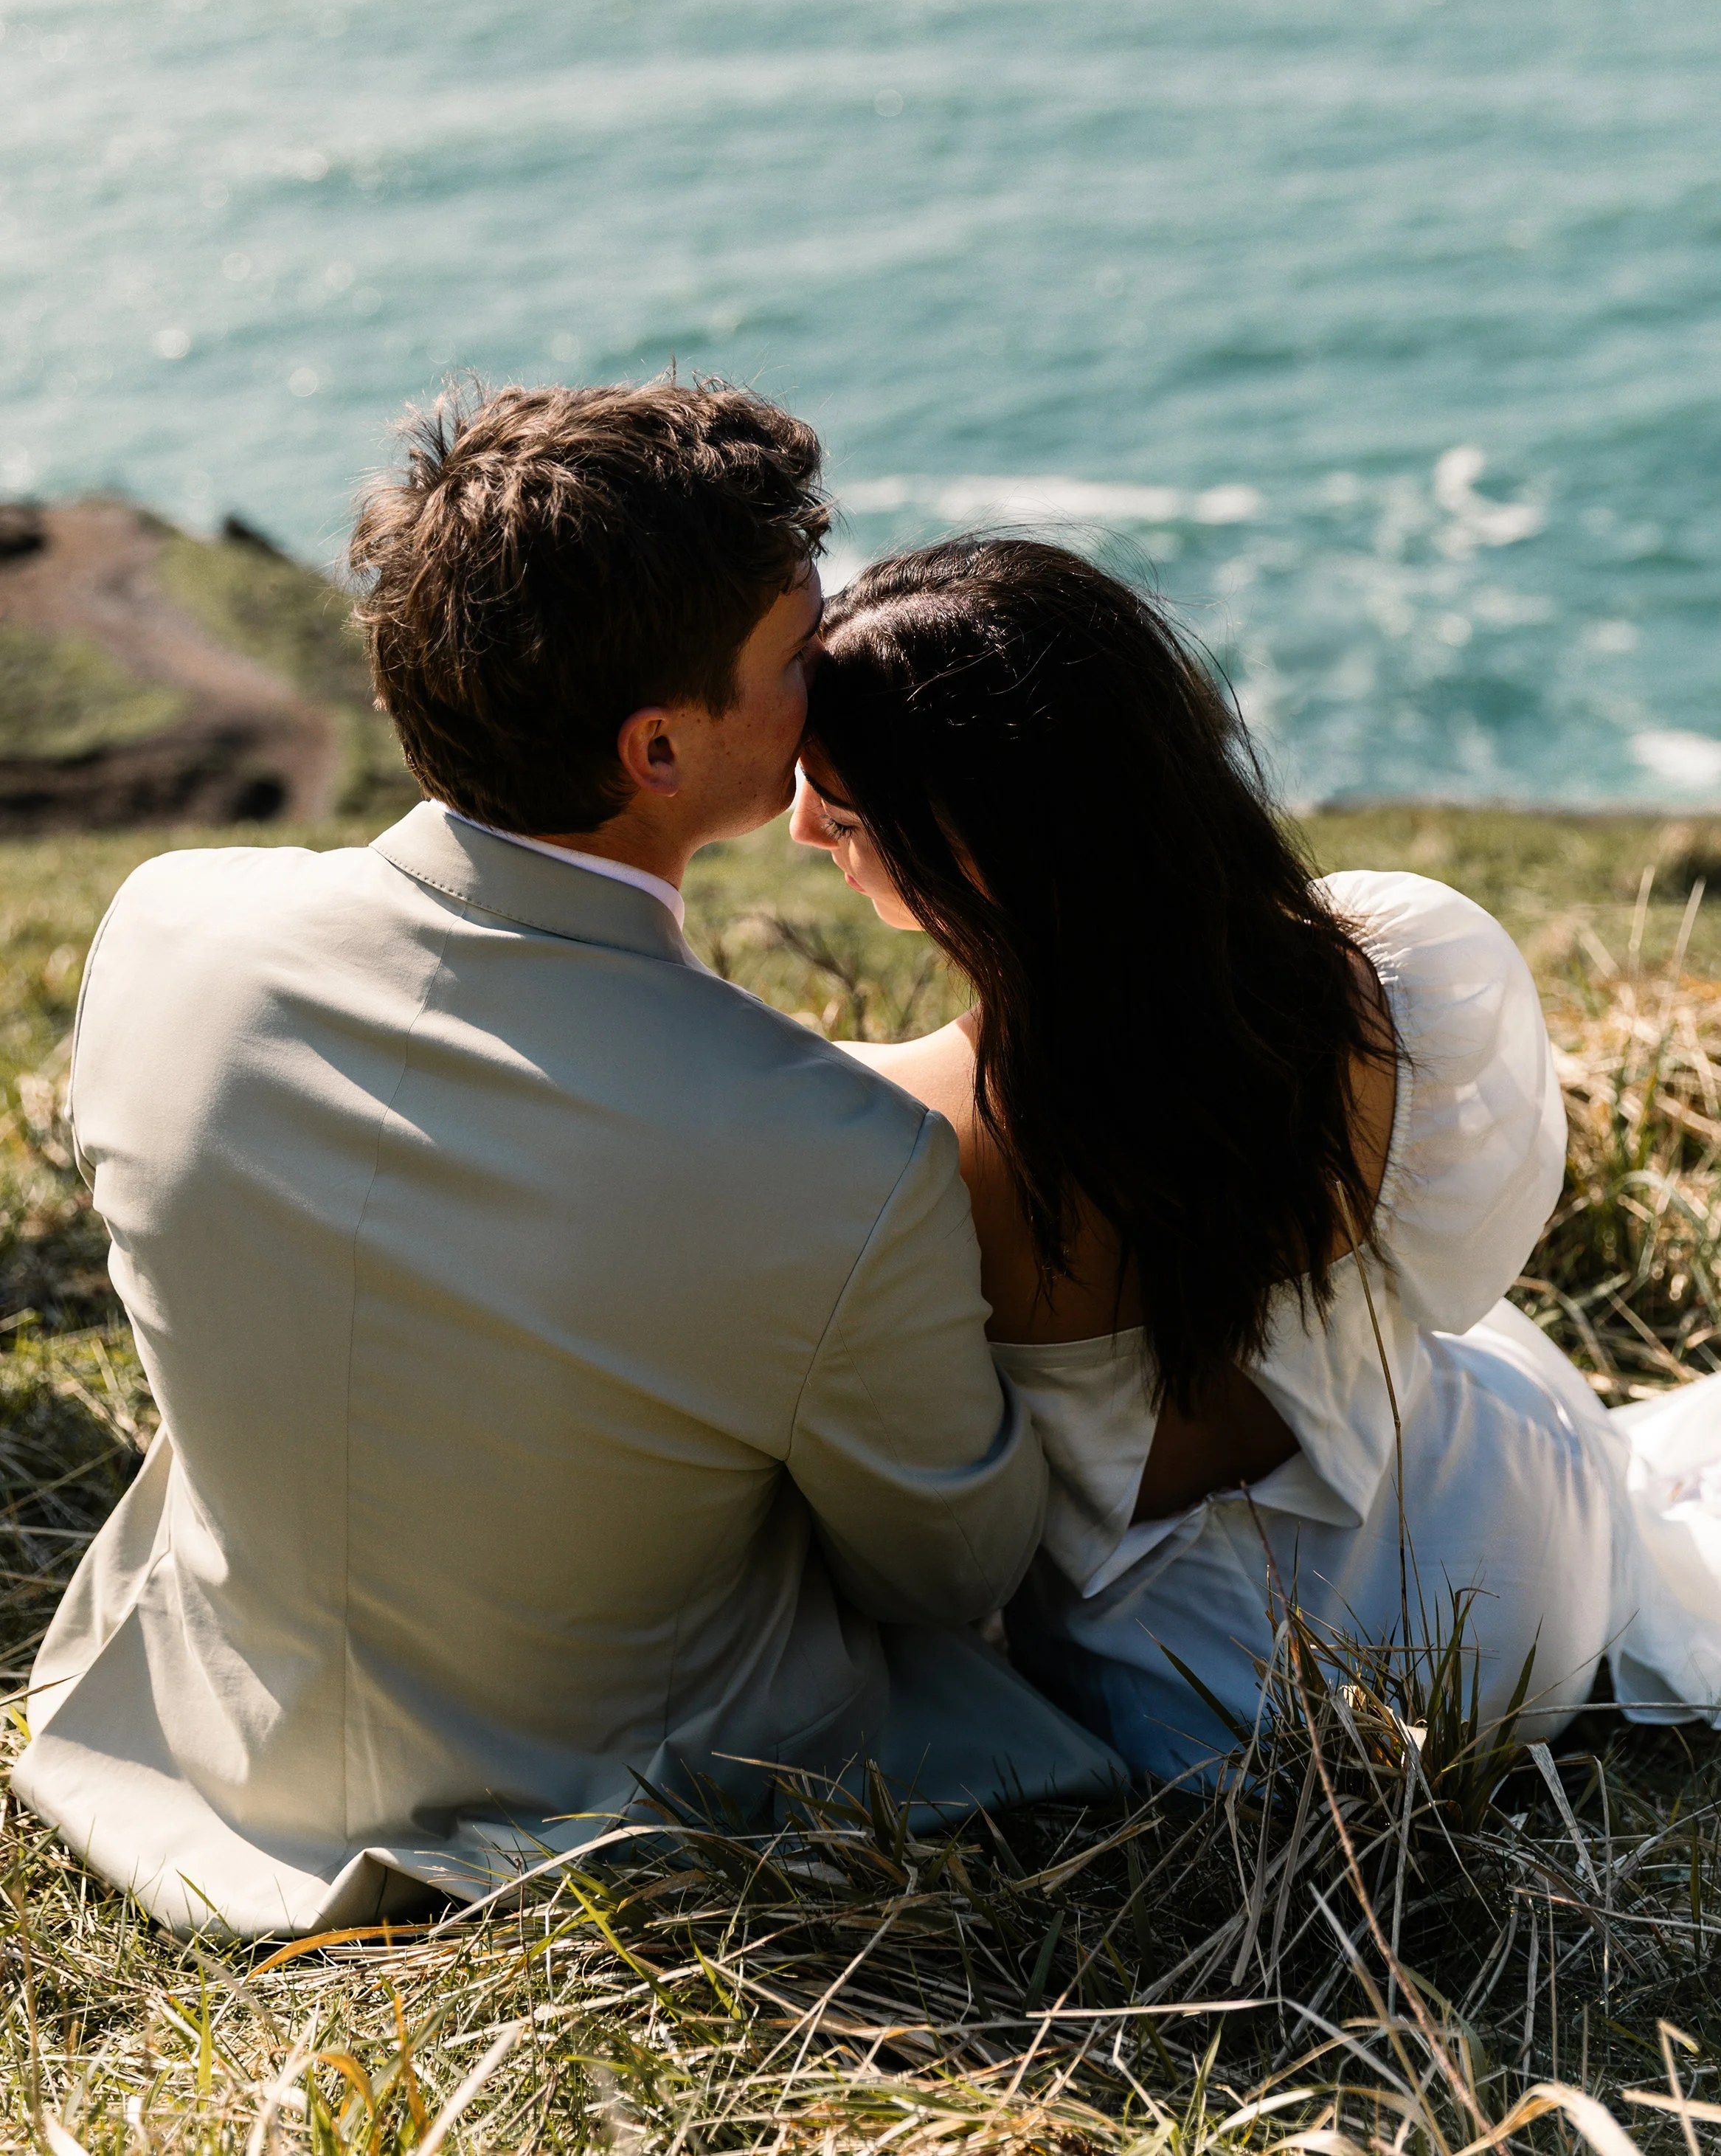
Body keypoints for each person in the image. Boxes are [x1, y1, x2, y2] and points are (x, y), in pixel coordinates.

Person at [13, 387, 1122, 1939]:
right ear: (656, 745)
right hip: (602, 1793)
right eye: (797, 654)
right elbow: (955, 1568)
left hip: (216, 1746)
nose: (832, 672)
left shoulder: (165, 926)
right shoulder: (831, 1154)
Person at [792, 535, 1721, 1783]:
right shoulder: (1379, 977)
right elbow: (1460, 1283)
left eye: (843, 810)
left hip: (1199, 1711)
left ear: (973, 842)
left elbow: (910, 1519)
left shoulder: (875, 1130)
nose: (799, 828)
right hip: (1509, 1598)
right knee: (1493, 1365)